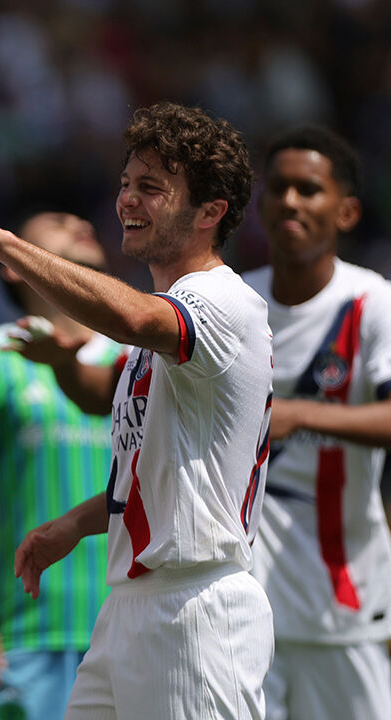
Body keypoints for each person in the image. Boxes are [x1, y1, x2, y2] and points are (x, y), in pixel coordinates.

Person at [0, 101, 274, 719]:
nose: (127, 200)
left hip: (195, 608)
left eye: (151, 187)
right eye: (126, 183)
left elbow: (130, 315)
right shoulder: (152, 339)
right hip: (128, 606)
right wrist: (75, 524)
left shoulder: (222, 301)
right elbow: (153, 470)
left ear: (210, 212)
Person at [0, 212, 117, 720]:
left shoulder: (137, 359)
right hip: (23, 633)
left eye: (78, 217)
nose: (77, 221)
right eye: (56, 221)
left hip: (127, 631)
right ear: (12, 265)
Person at [243, 126, 391, 720]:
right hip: (243, 611)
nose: (290, 201)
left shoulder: (371, 302)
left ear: (346, 211)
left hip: (341, 606)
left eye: (308, 189)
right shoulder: (235, 303)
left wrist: (299, 414)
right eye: (278, 188)